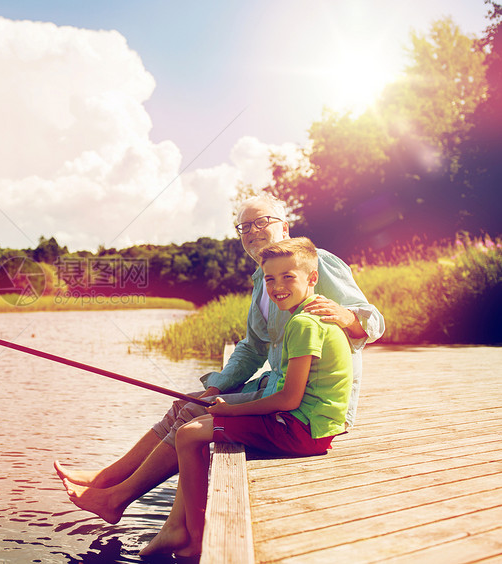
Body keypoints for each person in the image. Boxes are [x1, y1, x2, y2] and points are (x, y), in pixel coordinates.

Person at [54, 193, 384, 525]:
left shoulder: (315, 262)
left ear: (284, 227)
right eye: (243, 227)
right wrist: (216, 386)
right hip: (280, 387)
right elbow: (254, 348)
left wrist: (345, 316)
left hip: (310, 404)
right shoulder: (263, 280)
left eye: (261, 222)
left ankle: (116, 499)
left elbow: (375, 322)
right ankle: (106, 479)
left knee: (195, 413)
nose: (252, 231)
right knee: (187, 404)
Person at [143, 236, 353, 557]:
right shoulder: (312, 316)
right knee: (197, 423)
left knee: (188, 435)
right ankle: (180, 529)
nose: (277, 286)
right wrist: (229, 408)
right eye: (270, 278)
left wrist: (231, 411)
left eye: (288, 277)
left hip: (300, 430)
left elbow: (288, 400)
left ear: (312, 278)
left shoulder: (304, 324)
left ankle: (194, 540)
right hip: (312, 427)